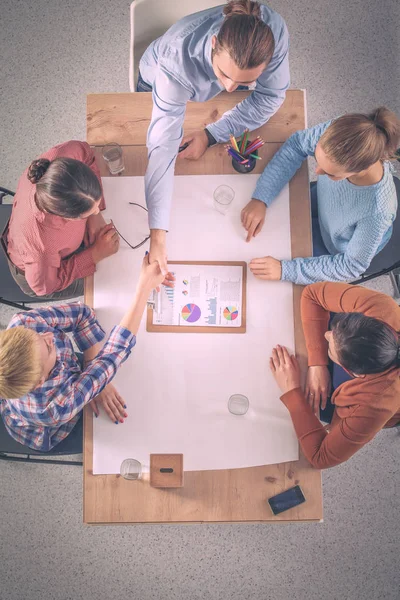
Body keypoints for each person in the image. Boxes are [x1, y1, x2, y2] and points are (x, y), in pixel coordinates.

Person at [137, 0, 290, 275]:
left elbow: (269, 99)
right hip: (154, 79)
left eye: (243, 83)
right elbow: (162, 148)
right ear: (214, 42)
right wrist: (158, 237)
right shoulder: (175, 62)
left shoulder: (273, 31)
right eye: (223, 74)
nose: (229, 88)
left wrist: (210, 134)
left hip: (202, 102)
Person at [0, 257, 173, 452]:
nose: (50, 335)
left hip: (50, 379)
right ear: (40, 380)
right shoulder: (57, 407)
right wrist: (143, 290)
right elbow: (114, 352)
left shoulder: (23, 323)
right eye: (48, 348)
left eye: (37, 335)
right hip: (47, 426)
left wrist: (92, 369)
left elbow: (82, 314)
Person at [242, 107, 400, 284]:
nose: (316, 171)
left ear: (360, 171)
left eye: (330, 173)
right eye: (318, 162)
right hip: (322, 200)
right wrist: (261, 198)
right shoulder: (339, 132)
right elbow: (297, 145)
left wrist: (285, 270)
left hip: (334, 244)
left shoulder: (378, 211)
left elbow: (351, 266)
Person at [269, 282, 400, 469]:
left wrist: (292, 390)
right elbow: (312, 294)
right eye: (337, 329)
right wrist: (317, 362)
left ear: (355, 374)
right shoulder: (382, 307)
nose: (327, 335)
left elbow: (321, 458)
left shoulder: (377, 405)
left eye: (330, 349)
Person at [3, 140, 119, 299]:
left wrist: (94, 216)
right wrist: (95, 254)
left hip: (47, 247)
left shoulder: (63, 156)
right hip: (43, 275)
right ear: (66, 217)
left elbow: (86, 153)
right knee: (107, 282)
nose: (97, 211)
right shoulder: (41, 247)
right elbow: (44, 287)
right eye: (88, 212)